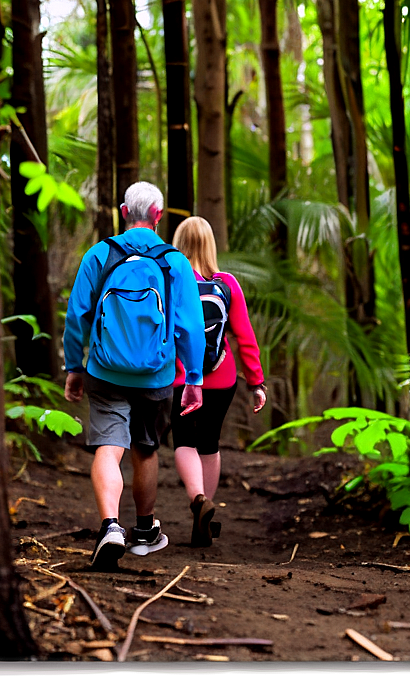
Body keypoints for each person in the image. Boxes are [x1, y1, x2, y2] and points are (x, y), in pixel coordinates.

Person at [63, 182, 206, 569]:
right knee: (145, 448)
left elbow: (77, 315)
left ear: (124, 211)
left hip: (104, 370)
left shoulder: (100, 254)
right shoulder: (174, 262)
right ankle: (144, 532)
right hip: (156, 375)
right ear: (158, 215)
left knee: (109, 447)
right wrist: (194, 378)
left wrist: (74, 367)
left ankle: (111, 527)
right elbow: (191, 326)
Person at [170, 216, 267, 547]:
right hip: (222, 376)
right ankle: (204, 518)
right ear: (210, 245)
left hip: (180, 376)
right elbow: (244, 336)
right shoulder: (227, 284)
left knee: (184, 441)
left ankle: (198, 500)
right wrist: (256, 382)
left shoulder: (171, 281)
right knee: (209, 443)